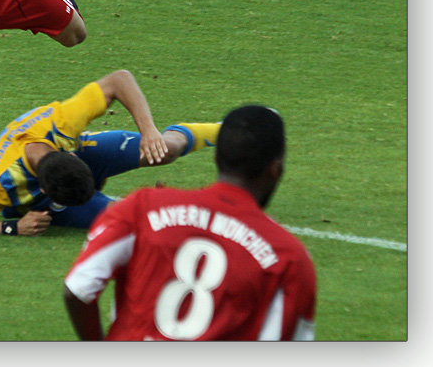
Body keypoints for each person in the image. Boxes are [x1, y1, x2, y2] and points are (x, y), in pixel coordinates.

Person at [63, 104, 317, 341]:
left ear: (216, 158)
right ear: (274, 170)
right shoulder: (288, 257)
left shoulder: (141, 208)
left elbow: (78, 289)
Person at [0, 69, 219, 236]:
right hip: (41, 200)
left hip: (72, 162)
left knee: (164, 151)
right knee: (129, 219)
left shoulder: (62, 122)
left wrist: (149, 131)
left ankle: (228, 130)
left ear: (73, 154)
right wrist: (13, 228)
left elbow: (119, 80)